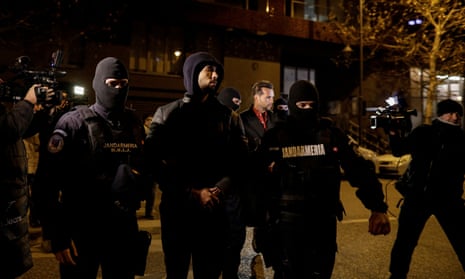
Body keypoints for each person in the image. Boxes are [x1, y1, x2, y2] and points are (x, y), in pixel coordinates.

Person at [257, 80, 391, 279]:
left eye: (312, 105)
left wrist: (377, 207)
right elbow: (254, 178)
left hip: (322, 225)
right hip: (285, 227)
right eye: (302, 105)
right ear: (293, 105)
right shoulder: (275, 138)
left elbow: (358, 169)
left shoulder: (331, 135)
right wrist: (258, 223)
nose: (307, 110)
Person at [40, 57, 148, 278]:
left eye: (123, 84)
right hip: (81, 228)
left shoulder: (133, 124)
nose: (119, 89)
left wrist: (138, 182)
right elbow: (46, 182)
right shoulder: (73, 123)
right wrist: (57, 234)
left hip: (122, 229)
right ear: (99, 83)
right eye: (112, 83)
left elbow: (145, 167)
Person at [144, 51, 248, 279]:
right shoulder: (167, 114)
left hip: (214, 210)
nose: (215, 75)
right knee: (176, 271)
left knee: (209, 271)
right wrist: (191, 192)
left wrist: (218, 189)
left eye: (217, 71)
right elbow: (153, 163)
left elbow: (240, 163)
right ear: (192, 73)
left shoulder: (229, 117)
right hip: (177, 210)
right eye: (208, 70)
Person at [387, 99, 465, 279]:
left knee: (462, 239)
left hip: (449, 199)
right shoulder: (423, 132)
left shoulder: (461, 138)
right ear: (441, 114)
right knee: (405, 243)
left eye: (458, 114)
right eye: (451, 113)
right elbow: (399, 150)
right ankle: (397, 275)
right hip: (418, 197)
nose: (455, 117)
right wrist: (392, 131)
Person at [0, 84, 39, 279]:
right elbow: (9, 128)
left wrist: (40, 111)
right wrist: (28, 102)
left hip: (12, 204)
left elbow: (23, 129)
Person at [216, 86, 246, 279]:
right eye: (234, 103)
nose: (236, 107)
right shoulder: (209, 120)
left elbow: (242, 160)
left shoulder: (235, 121)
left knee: (233, 245)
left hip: (231, 193)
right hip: (210, 193)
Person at [239, 80, 275, 227]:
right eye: (268, 97)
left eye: (272, 97)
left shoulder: (275, 118)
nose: (272, 100)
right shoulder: (242, 119)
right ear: (256, 97)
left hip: (273, 182)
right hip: (253, 183)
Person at [141, 114, 156, 219]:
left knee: (151, 191)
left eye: (152, 120)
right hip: (143, 166)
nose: (151, 122)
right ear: (145, 121)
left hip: (150, 166)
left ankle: (149, 212)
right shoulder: (141, 132)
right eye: (149, 120)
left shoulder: (153, 133)